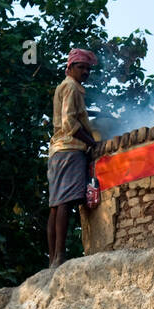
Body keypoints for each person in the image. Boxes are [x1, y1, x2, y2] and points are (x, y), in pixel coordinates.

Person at [47, 48, 101, 268]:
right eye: (81, 67)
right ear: (70, 68)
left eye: (88, 68)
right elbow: (70, 123)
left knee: (55, 205)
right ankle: (60, 256)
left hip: (57, 151)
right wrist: (92, 143)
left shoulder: (65, 87)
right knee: (65, 203)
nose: (85, 71)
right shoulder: (72, 88)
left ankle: (53, 258)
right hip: (70, 149)